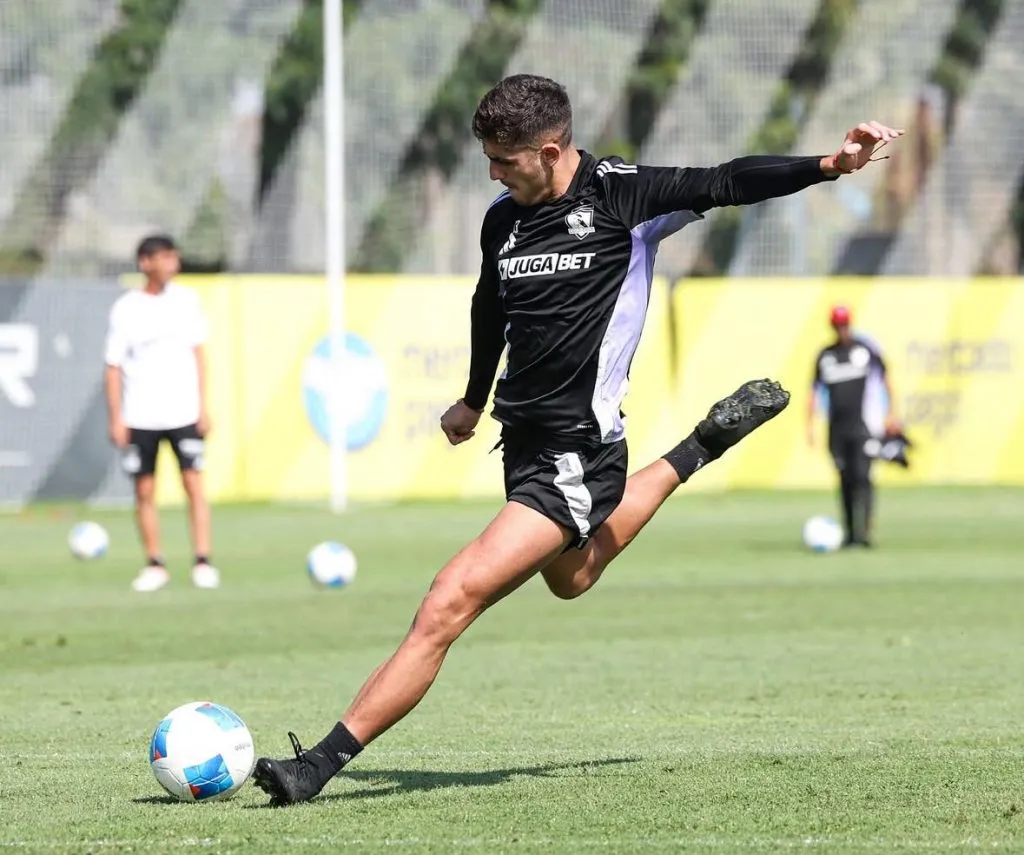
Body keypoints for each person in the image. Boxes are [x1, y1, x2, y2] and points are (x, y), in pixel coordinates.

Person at [253, 74, 903, 805]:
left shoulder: (623, 196)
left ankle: (317, 765)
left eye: (504, 161)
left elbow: (726, 181)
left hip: (579, 453)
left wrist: (826, 166)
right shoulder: (503, 220)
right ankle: (701, 446)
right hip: (523, 446)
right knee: (572, 577)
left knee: (448, 598)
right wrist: (472, 400)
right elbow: (487, 307)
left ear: (552, 149)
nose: (492, 174)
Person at [103, 235, 219, 592]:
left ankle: (202, 560)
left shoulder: (186, 301)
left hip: (183, 412)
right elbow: (112, 365)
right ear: (145, 263)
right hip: (140, 415)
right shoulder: (126, 308)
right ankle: (155, 563)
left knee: (193, 484)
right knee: (144, 489)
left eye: (174, 257)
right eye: (166, 258)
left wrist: (203, 405)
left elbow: (199, 355)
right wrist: (116, 417)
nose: (173, 264)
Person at [806, 305, 901, 547]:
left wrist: (891, 413)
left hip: (862, 426)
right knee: (845, 480)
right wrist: (810, 425)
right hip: (837, 430)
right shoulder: (825, 356)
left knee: (863, 477)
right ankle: (850, 534)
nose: (842, 329)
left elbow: (886, 379)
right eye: (838, 325)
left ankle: (865, 532)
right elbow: (813, 392)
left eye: (845, 324)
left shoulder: (864, 350)